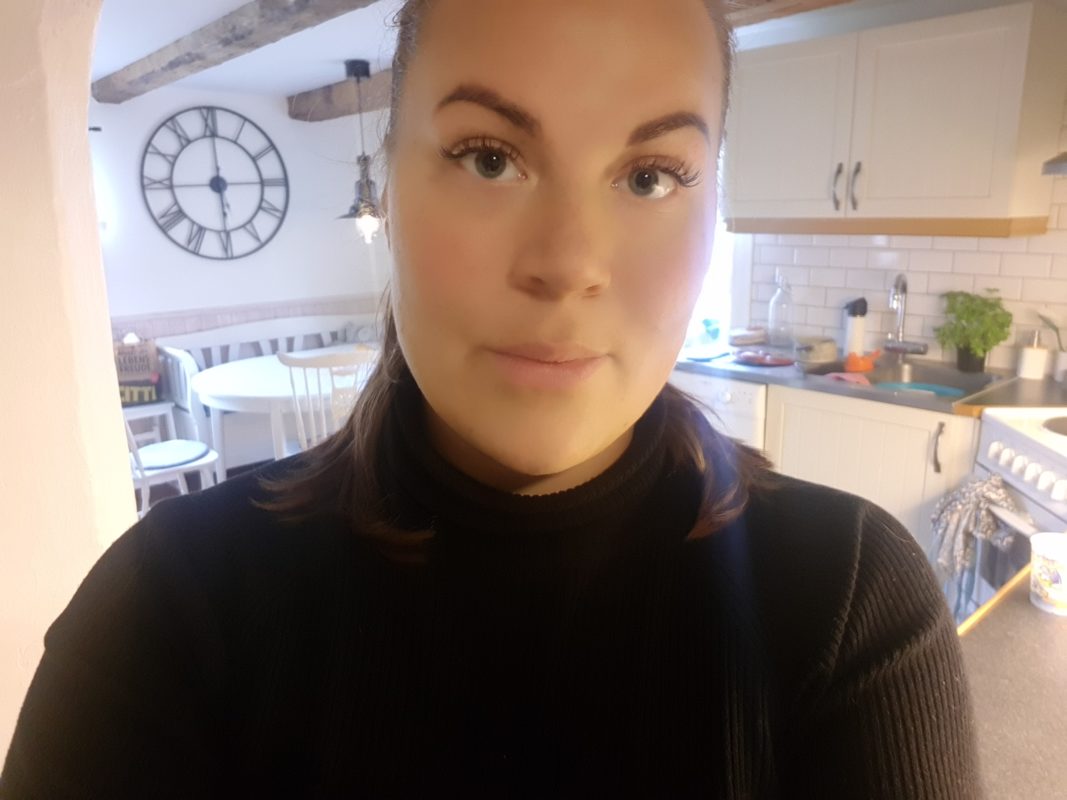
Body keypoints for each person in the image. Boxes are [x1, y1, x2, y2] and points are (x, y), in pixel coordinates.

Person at [2, 0, 979, 796]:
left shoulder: (847, 598)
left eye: (649, 176)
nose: (567, 263)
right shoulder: (173, 603)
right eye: (487, 157)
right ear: (388, 190)